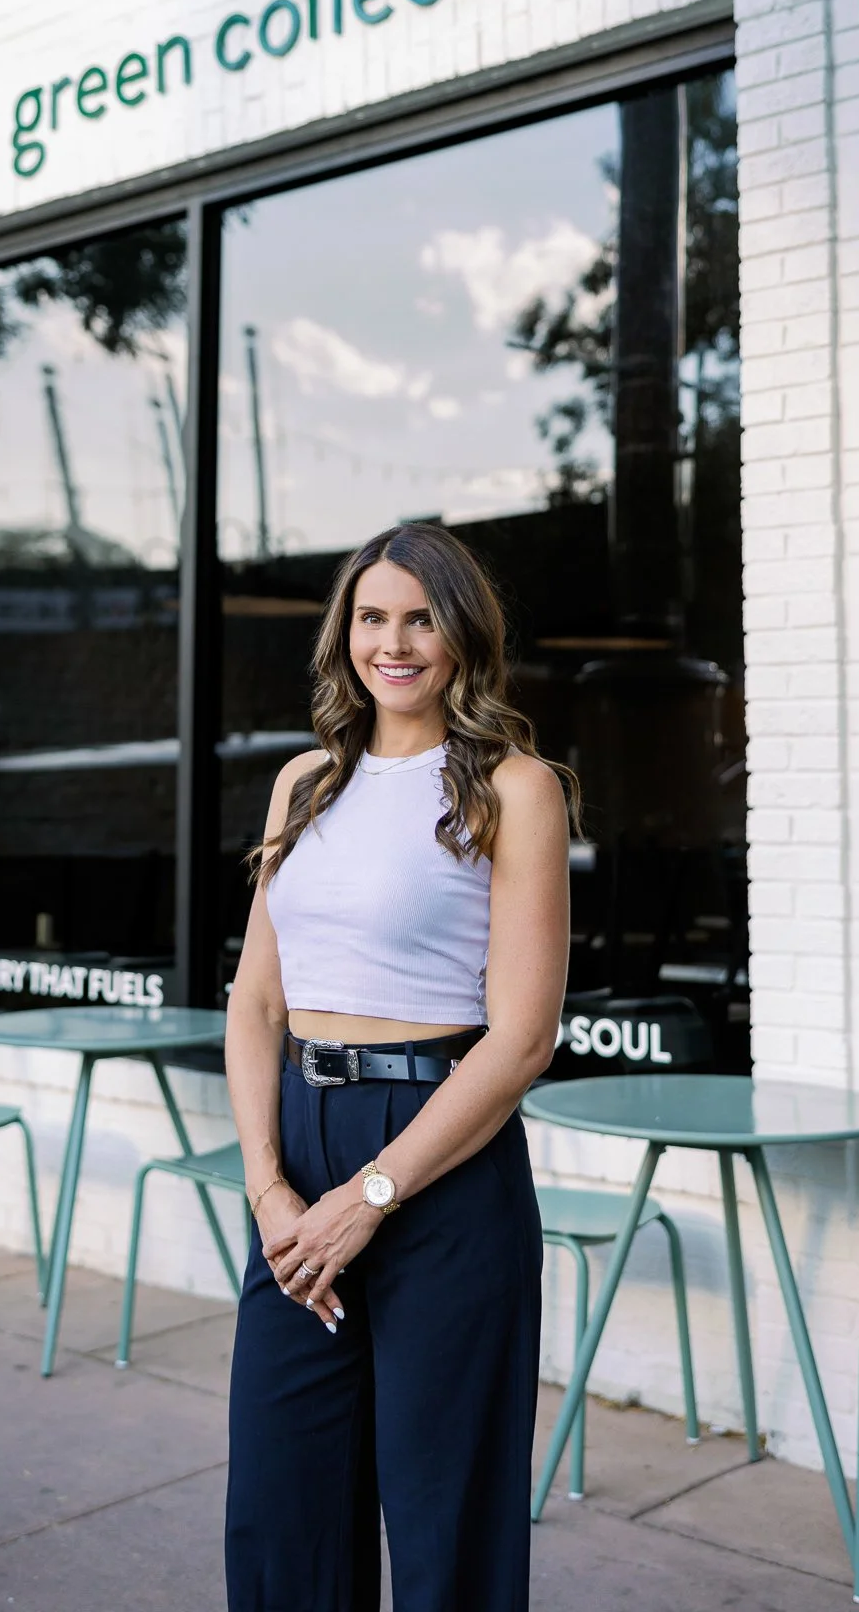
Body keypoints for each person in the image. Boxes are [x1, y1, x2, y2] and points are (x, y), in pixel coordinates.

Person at [224, 520, 573, 1612]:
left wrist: (370, 1194)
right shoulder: (302, 783)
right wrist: (268, 1187)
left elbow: (520, 1037)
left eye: (420, 616)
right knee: (283, 1507)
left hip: (439, 1161)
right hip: (298, 1145)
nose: (395, 641)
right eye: (372, 616)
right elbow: (255, 1002)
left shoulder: (514, 787)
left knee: (444, 1520)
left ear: (461, 632)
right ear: (344, 634)